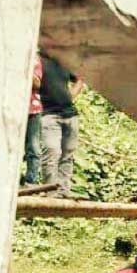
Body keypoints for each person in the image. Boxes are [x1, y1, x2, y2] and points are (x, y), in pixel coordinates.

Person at [39, 51, 83, 198]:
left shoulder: (64, 60)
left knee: (67, 154)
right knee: (51, 151)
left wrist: (71, 95)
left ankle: (64, 190)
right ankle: (50, 191)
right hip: (48, 114)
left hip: (70, 114)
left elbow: (80, 77)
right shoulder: (36, 60)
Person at [23, 52, 43, 186]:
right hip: (12, 108)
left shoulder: (35, 59)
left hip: (33, 108)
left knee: (33, 147)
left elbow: (37, 84)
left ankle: (31, 181)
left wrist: (26, 65)